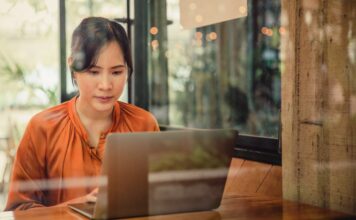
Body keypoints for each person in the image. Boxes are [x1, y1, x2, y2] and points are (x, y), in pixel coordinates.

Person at [5, 17, 159, 211]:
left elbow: (158, 200)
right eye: (94, 72)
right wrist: (77, 207)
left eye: (117, 72)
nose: (105, 85)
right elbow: (18, 211)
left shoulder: (143, 124)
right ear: (73, 66)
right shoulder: (42, 127)